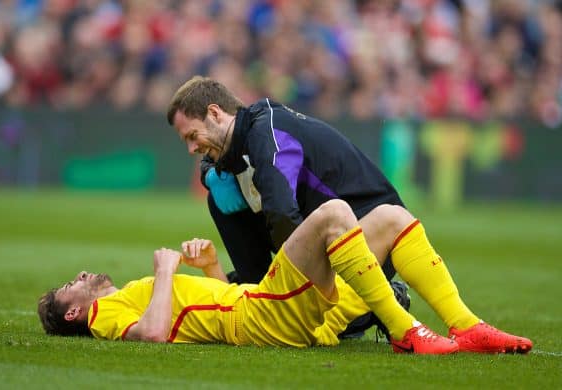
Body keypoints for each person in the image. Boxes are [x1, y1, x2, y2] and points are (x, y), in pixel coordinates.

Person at [165, 76, 533, 353]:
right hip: (321, 283)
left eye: (192, 136)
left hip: (343, 266)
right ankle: (399, 325)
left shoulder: (268, 130)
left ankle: (462, 325)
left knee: (383, 217)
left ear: (215, 113)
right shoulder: (227, 181)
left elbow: (280, 211)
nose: (191, 149)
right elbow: (253, 270)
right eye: (187, 142)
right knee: (364, 216)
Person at [38, 199, 532, 354]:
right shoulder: (106, 315)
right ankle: (406, 330)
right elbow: (153, 334)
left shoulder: (127, 297)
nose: (79, 276)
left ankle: (464, 324)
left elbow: (206, 310)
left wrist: (209, 266)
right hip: (263, 317)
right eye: (70, 285)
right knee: (334, 213)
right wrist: (165, 271)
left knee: (389, 218)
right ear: (77, 310)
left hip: (261, 307)